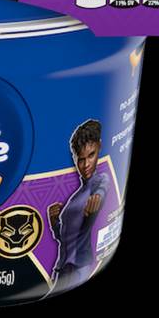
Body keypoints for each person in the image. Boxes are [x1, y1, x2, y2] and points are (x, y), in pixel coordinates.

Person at [49, 120, 109, 292]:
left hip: (80, 268)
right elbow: (65, 238)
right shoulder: (75, 197)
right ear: (75, 158)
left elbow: (103, 189)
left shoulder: (101, 180)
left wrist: (98, 199)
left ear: (99, 146)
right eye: (81, 159)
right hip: (62, 268)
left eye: (91, 155)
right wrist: (55, 222)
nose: (86, 164)